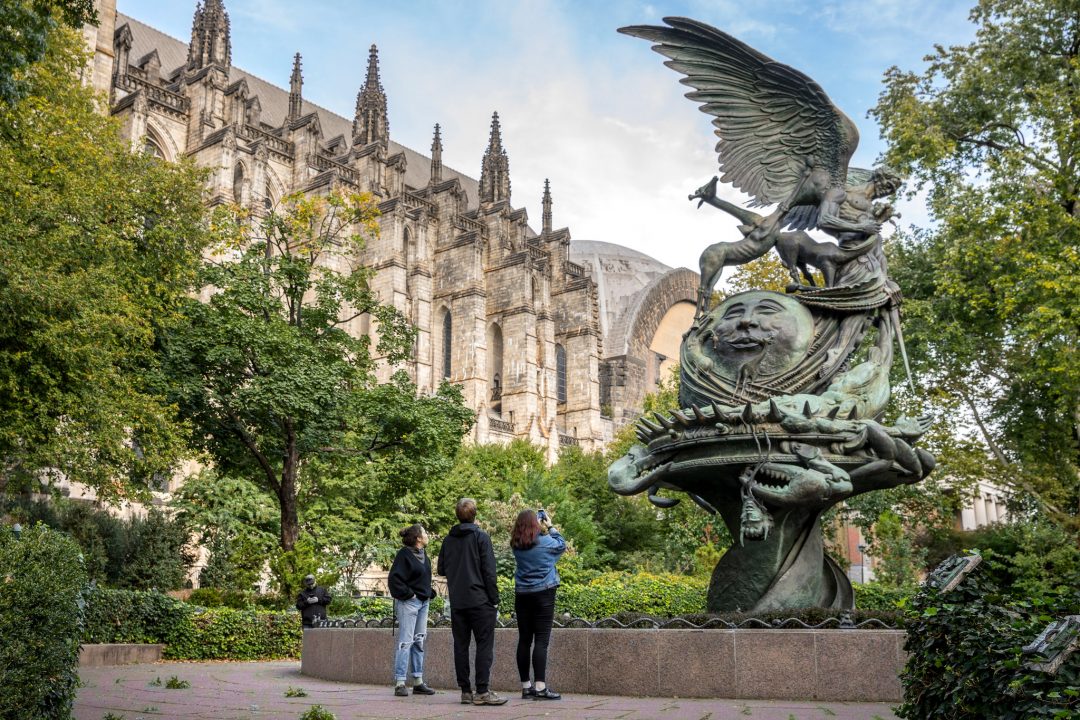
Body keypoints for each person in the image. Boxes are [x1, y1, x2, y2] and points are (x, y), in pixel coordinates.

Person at [437, 498, 507, 706]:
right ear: (475, 515)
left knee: (461, 645)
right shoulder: (481, 537)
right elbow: (489, 572)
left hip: (458, 602)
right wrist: (494, 599)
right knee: (484, 645)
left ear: (457, 515)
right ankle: (482, 691)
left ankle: (465, 691)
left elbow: (441, 569)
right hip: (480, 601)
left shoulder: (448, 540)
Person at [510, 509, 566, 700]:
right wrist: (550, 525)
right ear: (537, 523)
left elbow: (526, 538)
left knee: (524, 640)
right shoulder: (546, 542)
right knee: (541, 640)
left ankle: (526, 687)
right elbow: (561, 544)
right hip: (544, 593)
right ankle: (540, 687)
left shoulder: (516, 545)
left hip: (522, 594)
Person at [388, 524, 436, 697]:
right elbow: (394, 580)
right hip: (409, 603)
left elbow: (422, 579)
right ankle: (400, 683)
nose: (427, 535)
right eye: (425, 533)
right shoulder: (404, 555)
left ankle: (418, 681)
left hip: (423, 603)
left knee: (419, 641)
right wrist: (411, 595)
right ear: (418, 538)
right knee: (405, 642)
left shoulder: (424, 555)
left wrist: (429, 593)